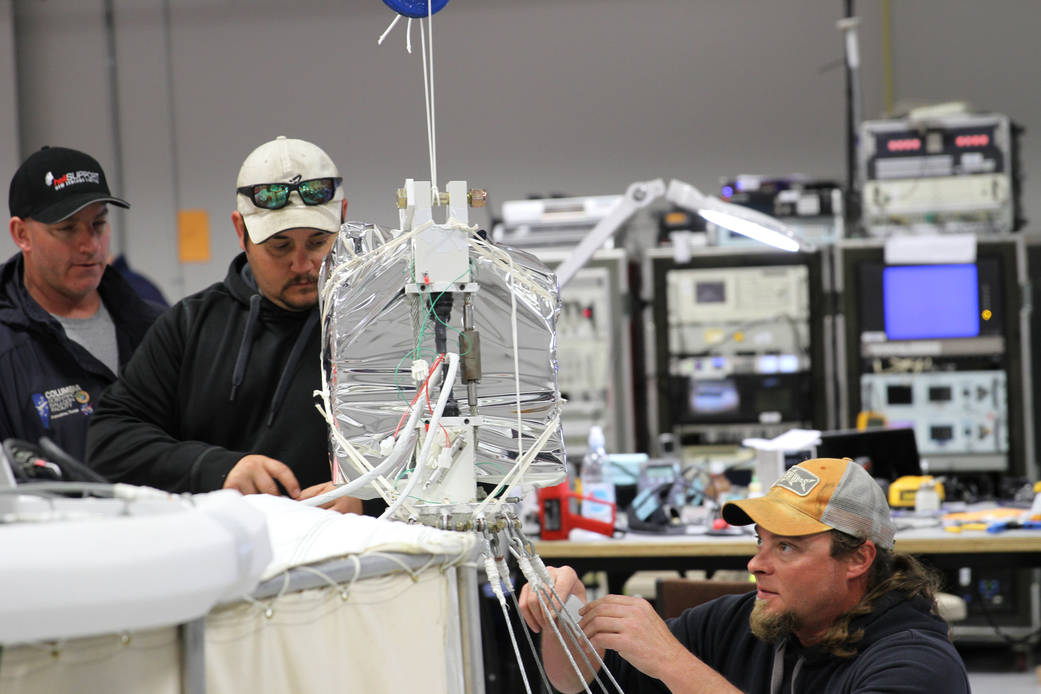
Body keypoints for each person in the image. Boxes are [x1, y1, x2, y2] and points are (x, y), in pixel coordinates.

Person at [519, 457, 970, 693]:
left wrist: (672, 663)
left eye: (787, 546)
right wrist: (568, 614)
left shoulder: (917, 665)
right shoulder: (743, 623)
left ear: (858, 559)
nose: (757, 563)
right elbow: (580, 681)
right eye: (761, 541)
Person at [86, 136, 362, 514]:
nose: (301, 265)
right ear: (240, 231)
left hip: (359, 560)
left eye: (317, 242)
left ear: (343, 216)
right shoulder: (188, 326)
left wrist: (372, 497)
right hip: (222, 557)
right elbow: (109, 442)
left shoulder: (384, 327)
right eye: (279, 247)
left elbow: (450, 450)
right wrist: (217, 469)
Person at [0, 146, 163, 462]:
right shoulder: (7, 350)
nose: (90, 245)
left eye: (98, 224)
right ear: (22, 234)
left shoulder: (158, 329)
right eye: (67, 229)